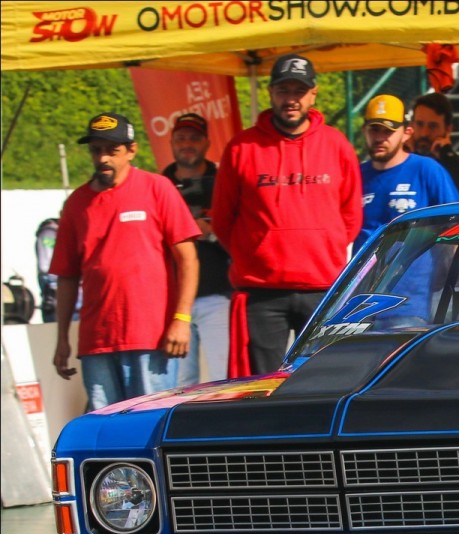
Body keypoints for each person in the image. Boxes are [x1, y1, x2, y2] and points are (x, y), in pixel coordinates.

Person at [210, 53, 362, 376]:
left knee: (323, 383)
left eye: (298, 91)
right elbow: (222, 219)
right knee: (262, 387)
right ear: (270, 93)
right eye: (283, 90)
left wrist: (322, 246)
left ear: (313, 94)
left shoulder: (337, 145)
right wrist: (257, 253)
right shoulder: (241, 148)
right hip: (262, 293)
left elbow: (351, 215)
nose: (291, 99)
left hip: (322, 288)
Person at [50, 112, 200, 409]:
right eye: (96, 150)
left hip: (152, 337)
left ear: (132, 150)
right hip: (96, 340)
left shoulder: (157, 188)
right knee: (105, 426)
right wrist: (62, 338)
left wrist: (181, 320)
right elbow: (66, 276)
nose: (103, 158)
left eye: (112, 150)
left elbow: (189, 260)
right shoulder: (76, 203)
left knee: (151, 421)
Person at [163, 113, 231, 386]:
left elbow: (244, 237)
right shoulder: (160, 185)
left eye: (194, 138)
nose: (187, 144)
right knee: (179, 383)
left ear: (207, 143)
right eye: (181, 138)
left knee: (225, 378)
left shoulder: (224, 181)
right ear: (171, 143)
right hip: (172, 300)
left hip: (219, 294)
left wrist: (212, 232)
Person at [356, 94, 459, 251]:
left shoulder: (427, 170)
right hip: (365, 267)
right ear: (364, 130)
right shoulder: (356, 176)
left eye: (388, 131)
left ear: (407, 132)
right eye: (374, 130)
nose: (379, 138)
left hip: (419, 267)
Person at [409, 92, 459, 201]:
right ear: (412, 125)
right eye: (419, 124)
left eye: (433, 126)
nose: (424, 133)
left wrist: (449, 158)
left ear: (448, 129)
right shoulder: (400, 164)